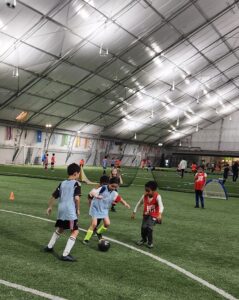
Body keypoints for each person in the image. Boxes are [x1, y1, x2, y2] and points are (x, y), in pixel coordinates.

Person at [44, 163, 81, 262]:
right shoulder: (76, 184)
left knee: (61, 228)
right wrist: (77, 209)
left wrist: (50, 207)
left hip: (61, 210)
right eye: (79, 174)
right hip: (70, 212)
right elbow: (77, 198)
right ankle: (65, 254)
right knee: (75, 231)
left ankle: (49, 246)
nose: (79, 176)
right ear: (75, 173)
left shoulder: (62, 183)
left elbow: (53, 196)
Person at [83, 177, 130, 244]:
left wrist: (125, 203)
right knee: (94, 224)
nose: (113, 188)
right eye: (112, 186)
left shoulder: (114, 193)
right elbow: (92, 192)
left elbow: (120, 198)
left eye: (115, 187)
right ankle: (86, 239)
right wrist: (96, 196)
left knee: (107, 224)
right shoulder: (103, 188)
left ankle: (98, 232)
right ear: (109, 183)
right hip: (95, 208)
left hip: (104, 209)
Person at [131, 181, 164, 249]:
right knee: (143, 228)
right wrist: (134, 212)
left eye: (148, 191)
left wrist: (160, 214)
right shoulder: (144, 196)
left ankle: (150, 242)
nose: (146, 192)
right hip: (146, 215)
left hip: (154, 215)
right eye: (145, 190)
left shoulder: (158, 196)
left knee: (149, 228)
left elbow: (161, 206)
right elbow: (139, 203)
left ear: (154, 190)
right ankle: (144, 239)